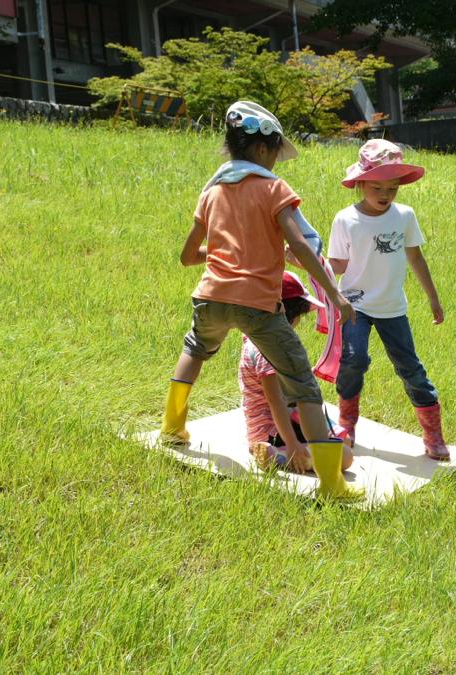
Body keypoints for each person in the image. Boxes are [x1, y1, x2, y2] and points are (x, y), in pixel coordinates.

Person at [159, 100, 359, 499]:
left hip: (211, 296)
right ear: (264, 148)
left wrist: (230, 255)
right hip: (257, 304)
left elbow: (188, 257)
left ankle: (172, 428)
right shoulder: (273, 188)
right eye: (275, 156)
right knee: (302, 384)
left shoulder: (211, 193)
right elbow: (300, 245)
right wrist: (335, 294)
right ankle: (331, 484)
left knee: (195, 349)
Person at [327, 139, 450, 460]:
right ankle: (346, 424)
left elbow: (416, 257)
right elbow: (338, 264)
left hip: (392, 308)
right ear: (361, 183)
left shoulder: (404, 216)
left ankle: (433, 435)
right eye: (377, 187)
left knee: (410, 368)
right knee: (354, 360)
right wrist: (306, 260)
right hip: (354, 305)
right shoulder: (345, 219)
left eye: (392, 188)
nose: (385, 194)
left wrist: (433, 298)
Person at [240, 271, 354, 473]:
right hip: (274, 431)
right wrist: (292, 443)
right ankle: (281, 456)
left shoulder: (258, 337)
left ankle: (285, 455)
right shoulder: (270, 349)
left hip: (285, 422)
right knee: (345, 458)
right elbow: (276, 401)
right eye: (300, 315)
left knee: (343, 446)